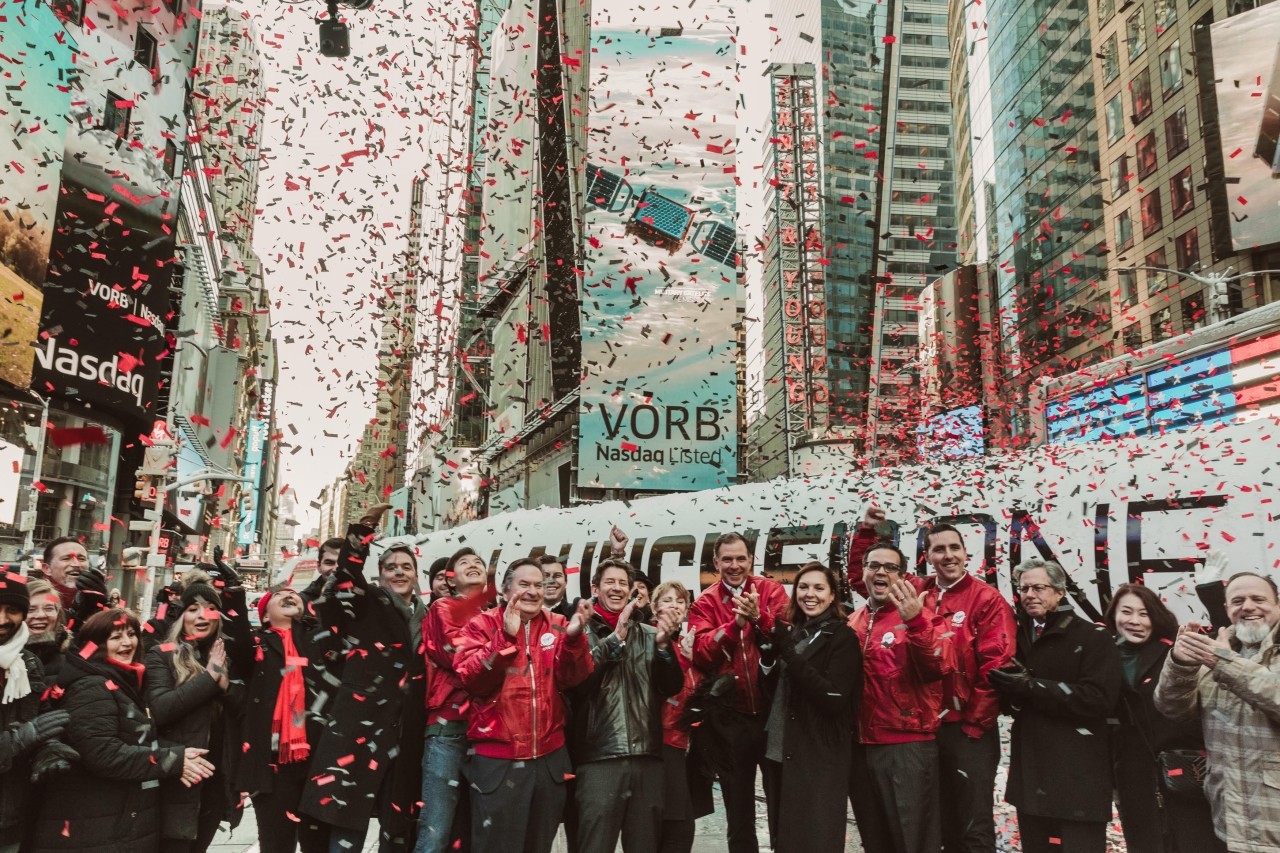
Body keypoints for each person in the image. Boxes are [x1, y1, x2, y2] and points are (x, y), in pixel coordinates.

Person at [848, 512, 1015, 852]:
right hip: (925, 728)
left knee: (972, 822)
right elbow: (867, 576)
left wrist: (973, 725)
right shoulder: (917, 589)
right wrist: (866, 532)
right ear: (927, 556)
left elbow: (995, 669)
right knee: (937, 822)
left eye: (954, 548)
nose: (948, 555)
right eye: (939, 549)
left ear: (967, 553)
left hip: (966, 729)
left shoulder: (987, 599)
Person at [30, 608, 215, 853]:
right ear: (96, 645)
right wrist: (173, 760)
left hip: (113, 825)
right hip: (94, 831)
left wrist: (178, 754)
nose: (127, 642)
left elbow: (134, 738)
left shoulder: (121, 680)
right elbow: (103, 753)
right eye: (116, 637)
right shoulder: (91, 686)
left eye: (131, 634)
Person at [299, 507, 427, 853]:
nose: (399, 572)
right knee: (345, 826)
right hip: (360, 728)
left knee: (399, 828)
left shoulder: (431, 616)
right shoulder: (367, 603)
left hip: (408, 735)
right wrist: (362, 534)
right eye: (391, 567)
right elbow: (344, 580)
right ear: (380, 575)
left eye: (406, 567)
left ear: (417, 575)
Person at [454, 558, 594, 853]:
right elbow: (471, 679)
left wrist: (574, 640)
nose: (533, 591)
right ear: (505, 592)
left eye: (539, 585)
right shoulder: (481, 625)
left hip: (548, 760)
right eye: (524, 584)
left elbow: (573, 678)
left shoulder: (558, 624)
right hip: (498, 759)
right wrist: (505, 637)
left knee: (538, 845)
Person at [989, 557, 1121, 853]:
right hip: (1033, 778)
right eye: (1024, 589)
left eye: (1039, 587)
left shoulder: (1093, 637)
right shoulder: (1017, 637)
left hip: (1078, 780)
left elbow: (1099, 699)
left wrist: (1033, 688)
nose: (1030, 595)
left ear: (1060, 592)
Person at [1154, 570, 1280, 853]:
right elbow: (1172, 708)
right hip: (1230, 814)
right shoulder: (1217, 649)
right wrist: (1180, 664)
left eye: (1258, 598)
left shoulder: (1219, 655)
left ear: (1278, 605)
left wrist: (1224, 662)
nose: (1247, 606)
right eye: (1238, 601)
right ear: (1227, 609)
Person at [568, 558, 683, 852]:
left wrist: (663, 647)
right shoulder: (579, 632)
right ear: (595, 588)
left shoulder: (648, 633)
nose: (617, 588)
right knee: (594, 845)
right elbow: (578, 685)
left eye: (623, 583)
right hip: (599, 760)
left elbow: (671, 686)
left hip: (647, 758)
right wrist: (615, 638)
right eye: (610, 582)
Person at [847, 540, 953, 853]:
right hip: (861, 748)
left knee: (913, 841)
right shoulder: (853, 621)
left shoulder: (923, 617)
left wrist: (916, 622)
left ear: (902, 577)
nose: (881, 571)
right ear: (864, 573)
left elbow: (940, 664)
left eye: (890, 567)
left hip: (906, 747)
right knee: (875, 840)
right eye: (873, 565)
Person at [687, 531, 789, 853]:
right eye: (727, 559)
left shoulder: (771, 590)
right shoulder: (704, 603)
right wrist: (734, 625)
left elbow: (789, 636)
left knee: (782, 806)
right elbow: (702, 652)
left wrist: (760, 618)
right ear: (716, 563)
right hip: (731, 722)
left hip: (773, 715)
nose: (735, 565)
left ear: (751, 559)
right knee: (739, 810)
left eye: (740, 558)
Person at [1104, 583, 1223, 853]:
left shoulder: (1178, 648)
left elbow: (1228, 639)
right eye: (1126, 612)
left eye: (1143, 614)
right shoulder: (1103, 655)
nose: (1134, 621)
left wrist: (1211, 591)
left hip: (1184, 769)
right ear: (1114, 616)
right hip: (1131, 774)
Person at [145, 568, 251, 853]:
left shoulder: (227, 654)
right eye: (193, 609)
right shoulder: (162, 654)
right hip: (179, 775)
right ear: (182, 616)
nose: (202, 616)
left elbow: (245, 711)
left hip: (216, 781)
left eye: (211, 609)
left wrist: (226, 686)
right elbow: (160, 710)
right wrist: (209, 679)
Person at [759, 562, 860, 853]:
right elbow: (777, 694)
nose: (809, 594)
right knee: (786, 840)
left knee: (814, 840)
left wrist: (788, 654)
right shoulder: (796, 633)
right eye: (803, 587)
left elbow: (833, 698)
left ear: (832, 596)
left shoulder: (842, 637)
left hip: (818, 756)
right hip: (781, 752)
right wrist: (767, 660)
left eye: (818, 588)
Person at [236, 585, 334, 853]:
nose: (288, 596)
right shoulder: (257, 645)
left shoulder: (319, 638)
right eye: (278, 595)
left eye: (293, 594)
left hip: (316, 761)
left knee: (318, 844)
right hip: (270, 765)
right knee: (276, 844)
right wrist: (234, 590)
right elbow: (235, 634)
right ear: (265, 615)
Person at [414, 547, 494, 853]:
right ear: (450, 579)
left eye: (478, 562)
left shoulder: (496, 613)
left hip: (487, 729)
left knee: (477, 828)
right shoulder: (443, 608)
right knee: (436, 828)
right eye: (464, 563)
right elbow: (456, 652)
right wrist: (497, 650)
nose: (473, 564)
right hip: (448, 729)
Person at [0, 569, 74, 851]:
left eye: (13, 610)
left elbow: (37, 718)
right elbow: (25, 734)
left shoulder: (27, 662)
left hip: (12, 814)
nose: (3, 620)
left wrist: (50, 748)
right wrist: (17, 741)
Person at [651, 581, 711, 853]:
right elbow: (665, 690)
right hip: (663, 746)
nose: (674, 605)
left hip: (685, 749)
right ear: (654, 608)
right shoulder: (652, 641)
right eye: (667, 600)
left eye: (680, 601)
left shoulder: (686, 644)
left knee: (678, 829)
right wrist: (685, 661)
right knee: (676, 831)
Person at [25, 579, 69, 684]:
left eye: (49, 608)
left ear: (58, 615)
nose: (40, 615)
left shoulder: (72, 659)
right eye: (31, 610)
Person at [39, 537, 88, 610]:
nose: (76, 564)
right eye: (66, 558)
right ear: (47, 568)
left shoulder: (96, 599)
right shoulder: (32, 599)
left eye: (81, 559)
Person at [300, 539, 343, 605]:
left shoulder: (362, 596)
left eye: (342, 563)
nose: (335, 569)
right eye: (329, 563)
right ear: (319, 567)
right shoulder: (304, 601)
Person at [539, 554, 575, 618]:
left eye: (557, 575)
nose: (551, 581)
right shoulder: (522, 615)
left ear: (566, 582)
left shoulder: (578, 614)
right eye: (545, 575)